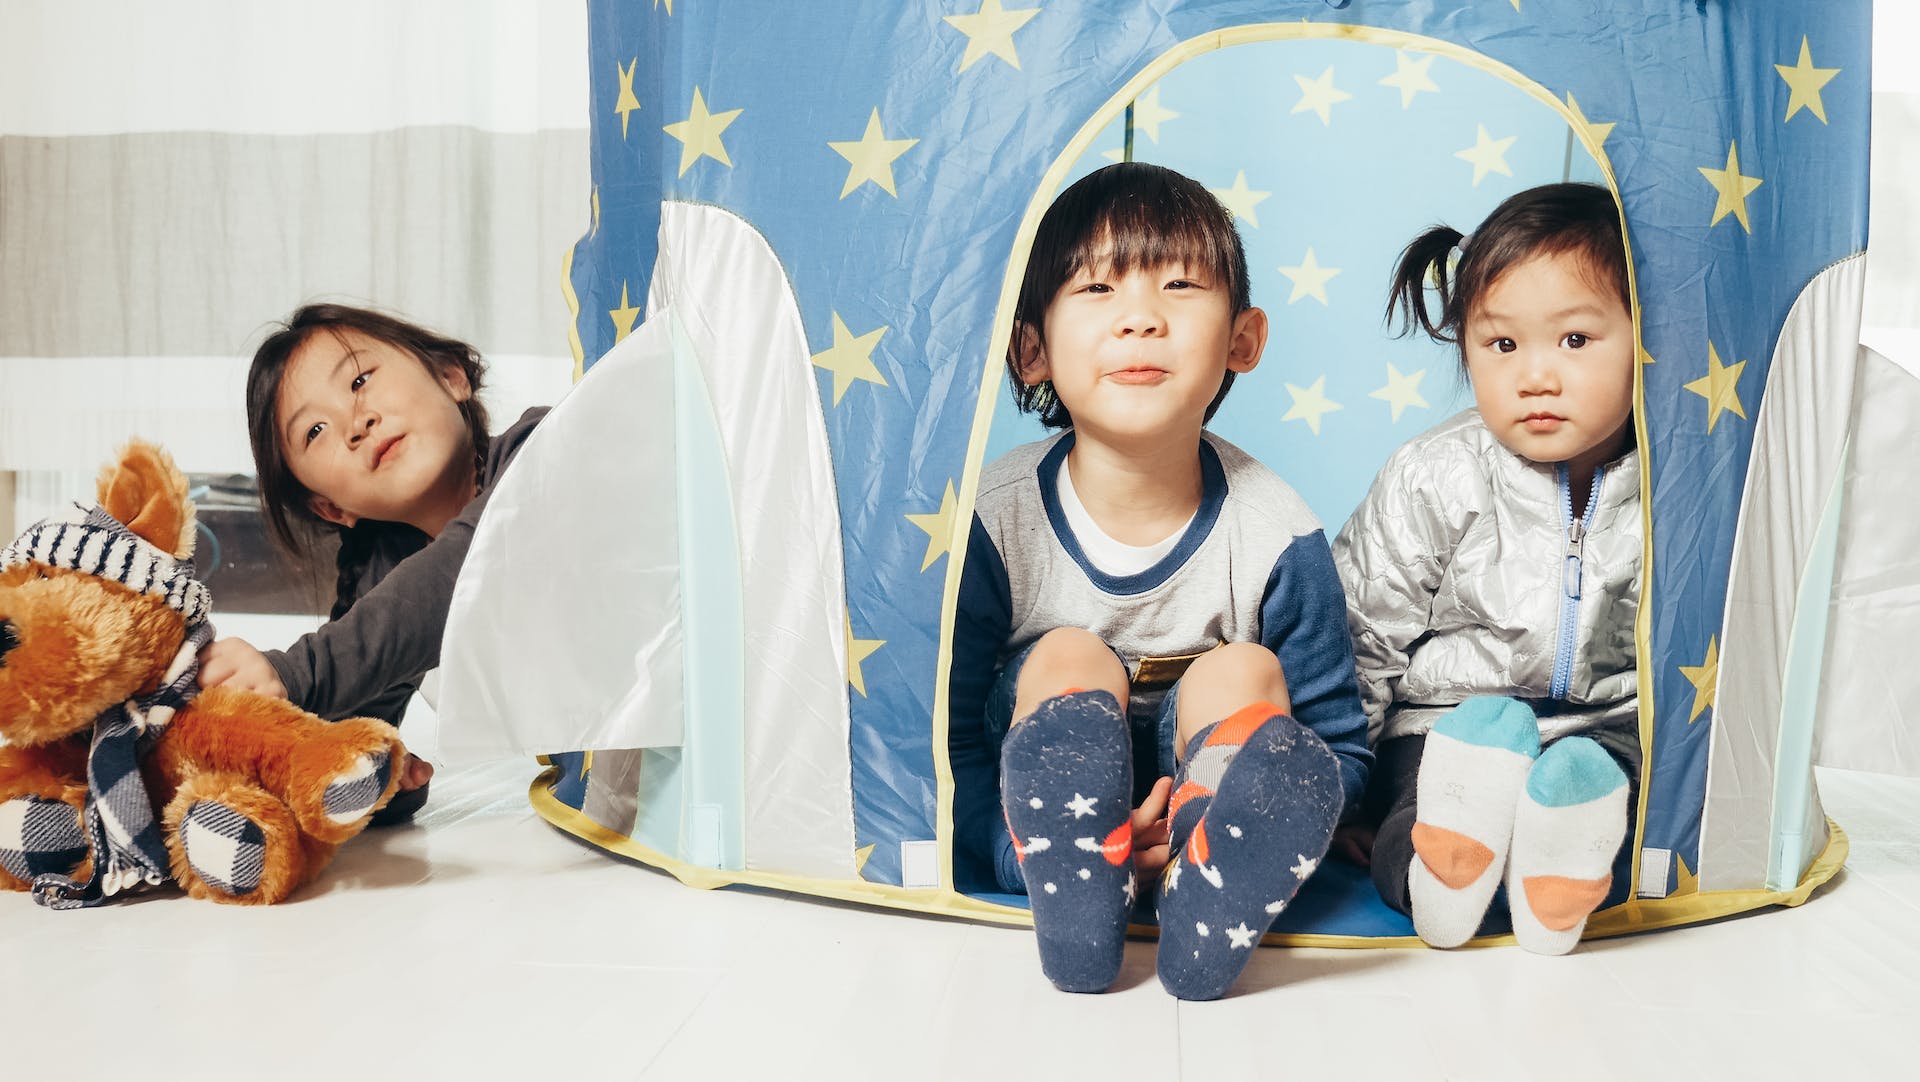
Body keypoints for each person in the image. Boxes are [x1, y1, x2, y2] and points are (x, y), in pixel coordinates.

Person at [948, 163, 1371, 1000]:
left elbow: (1336, 752)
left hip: (1196, 791)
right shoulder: (997, 520)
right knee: (1070, 654)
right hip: (1048, 784)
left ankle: (1208, 883)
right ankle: (1071, 881)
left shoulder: (1276, 529)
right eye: (1098, 289)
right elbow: (949, 738)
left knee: (1244, 671)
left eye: (1179, 286)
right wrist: (1010, 851)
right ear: (1030, 349)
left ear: (1243, 340)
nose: (1141, 318)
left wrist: (1236, 827)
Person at [1335, 182, 1640, 955]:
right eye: (1502, 345)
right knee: (1412, 820)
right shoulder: (1436, 474)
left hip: (1604, 737)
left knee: (1619, 822)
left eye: (1575, 340)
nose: (1535, 375)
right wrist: (1341, 791)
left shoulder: (1677, 485)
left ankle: (1553, 865)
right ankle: (1441, 875)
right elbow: (1360, 632)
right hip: (1444, 733)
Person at [198, 304, 548, 823]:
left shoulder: (540, 452)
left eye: (360, 379)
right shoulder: (388, 575)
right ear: (332, 507)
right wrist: (373, 776)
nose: (354, 422)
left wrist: (290, 672)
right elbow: (343, 735)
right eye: (314, 431)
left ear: (451, 377)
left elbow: (461, 573)